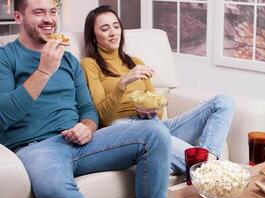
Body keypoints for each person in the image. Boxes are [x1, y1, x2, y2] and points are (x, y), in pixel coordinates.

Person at [0, 0, 171, 198]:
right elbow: (3, 115)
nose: (48, 19)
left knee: (156, 132)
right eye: (38, 12)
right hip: (37, 148)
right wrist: (44, 70)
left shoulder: (70, 60)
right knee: (55, 189)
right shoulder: (5, 57)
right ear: (18, 17)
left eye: (52, 12)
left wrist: (87, 127)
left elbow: (88, 108)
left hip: (82, 143)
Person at [81, 6, 235, 175]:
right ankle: (210, 172)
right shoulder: (90, 64)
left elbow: (158, 111)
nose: (113, 32)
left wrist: (152, 110)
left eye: (116, 26)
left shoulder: (135, 62)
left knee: (223, 102)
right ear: (94, 37)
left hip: (154, 125)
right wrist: (122, 82)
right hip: (122, 128)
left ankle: (210, 162)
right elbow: (103, 116)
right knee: (184, 153)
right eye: (105, 28)